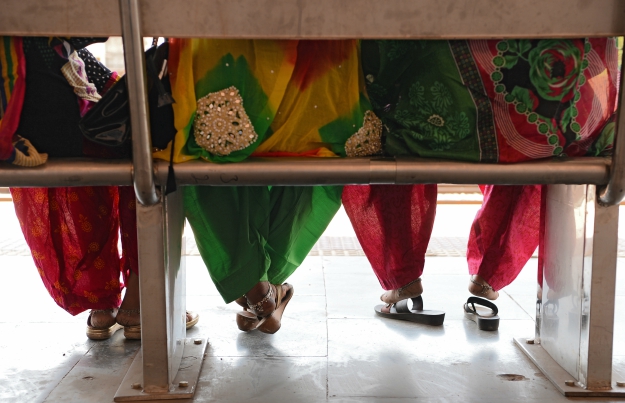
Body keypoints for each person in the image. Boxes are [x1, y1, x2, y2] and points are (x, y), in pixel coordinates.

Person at [342, 38, 619, 320]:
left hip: (443, 111)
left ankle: (403, 277)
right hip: (564, 116)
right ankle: (488, 276)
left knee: (383, 122)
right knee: (528, 137)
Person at [155, 38, 376, 333]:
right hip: (320, 80)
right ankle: (265, 286)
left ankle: (255, 285)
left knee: (206, 144)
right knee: (324, 146)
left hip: (226, 66)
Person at [0, 36, 198, 339]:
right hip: (52, 106)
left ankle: (100, 303)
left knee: (83, 197)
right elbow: (89, 29)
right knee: (146, 148)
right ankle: (138, 294)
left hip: (17, 124)